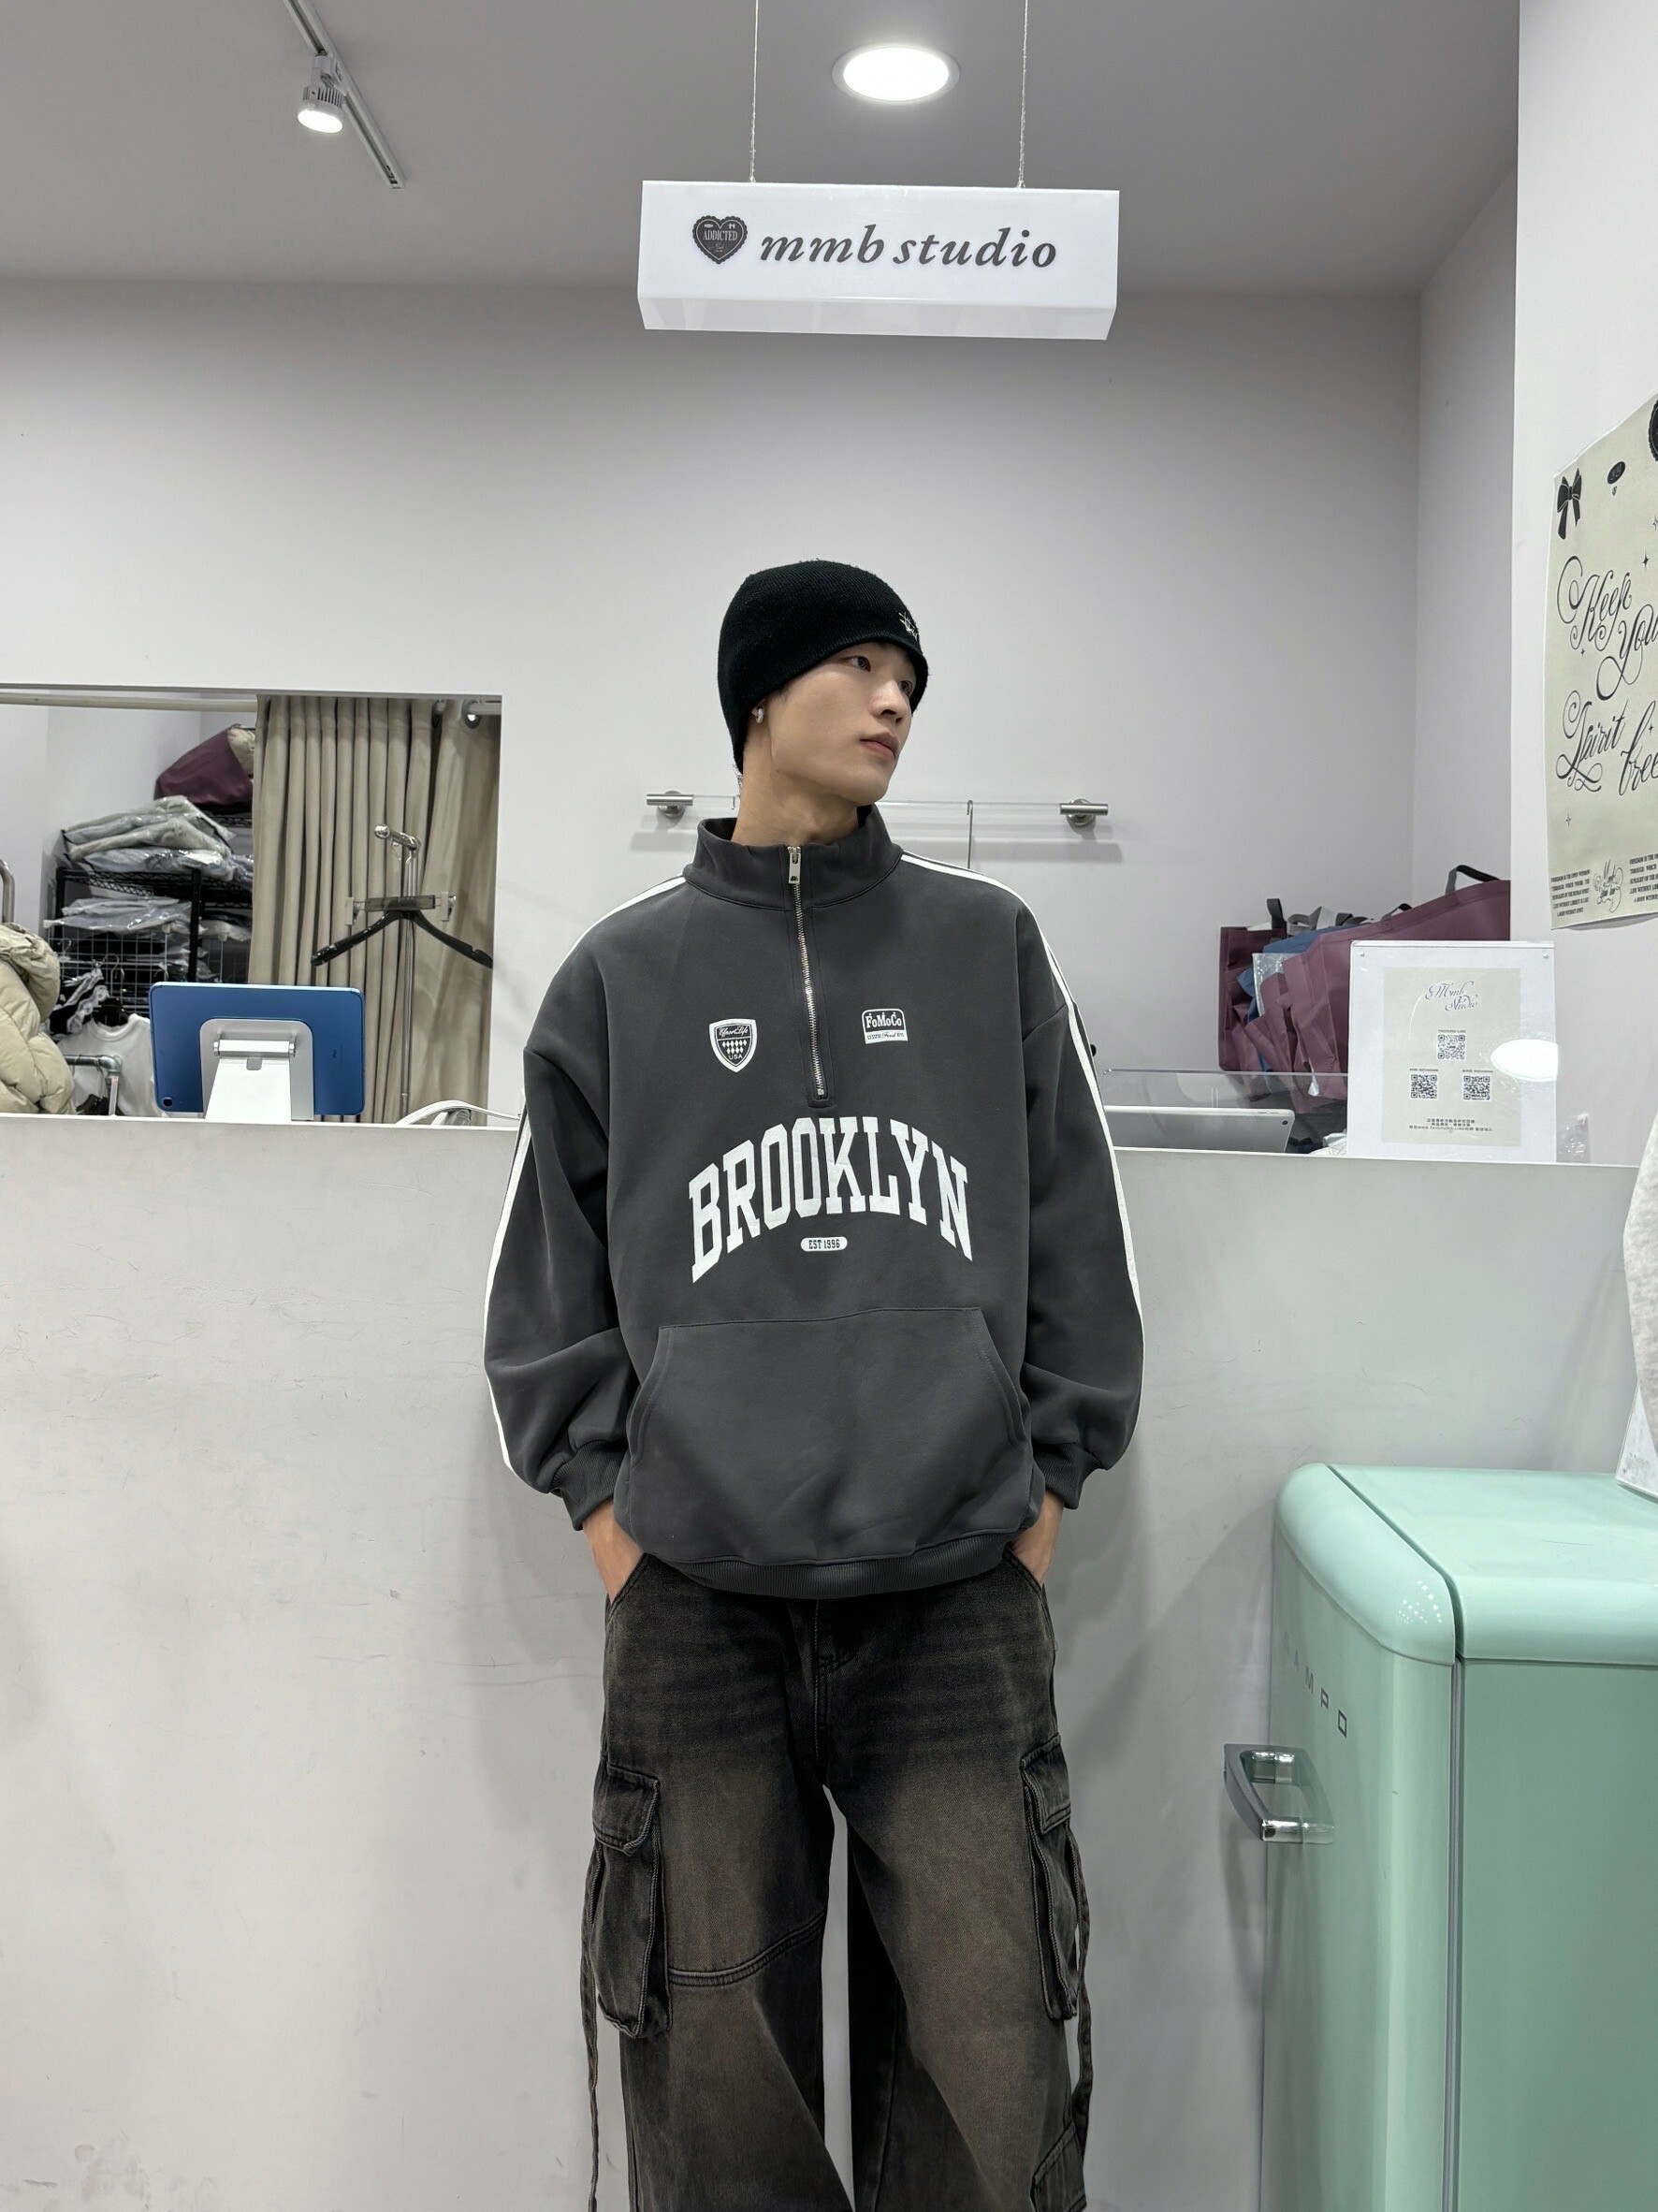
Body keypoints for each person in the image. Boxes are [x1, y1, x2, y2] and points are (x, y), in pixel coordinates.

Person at [485, 559, 1142, 2212]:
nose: (893, 698)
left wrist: (1045, 1486)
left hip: (955, 1594)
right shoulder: (620, 979)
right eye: (854, 664)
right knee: (715, 2082)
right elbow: (546, 1286)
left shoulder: (989, 947)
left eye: (906, 673)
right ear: (758, 700)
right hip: (700, 1602)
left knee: (995, 2068)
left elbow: (1082, 1235)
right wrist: (614, 1518)